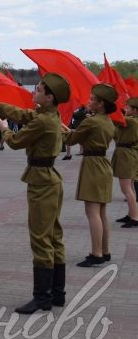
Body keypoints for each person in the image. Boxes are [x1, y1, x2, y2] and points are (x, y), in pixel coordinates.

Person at [0, 73, 70, 314]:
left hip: (42, 182)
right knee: (54, 236)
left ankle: (42, 298)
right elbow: (23, 114)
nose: (34, 92)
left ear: (49, 97)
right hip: (51, 179)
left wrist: (4, 130)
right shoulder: (49, 115)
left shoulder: (44, 121)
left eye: (38, 90)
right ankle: (57, 294)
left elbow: (16, 142)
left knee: (40, 238)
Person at [65, 84, 117, 267]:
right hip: (103, 164)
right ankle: (105, 250)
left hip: (93, 166)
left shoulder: (91, 121)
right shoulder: (107, 121)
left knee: (92, 212)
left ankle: (96, 254)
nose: (89, 101)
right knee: (101, 212)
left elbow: (70, 140)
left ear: (101, 104)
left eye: (93, 99)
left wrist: (62, 129)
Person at [115, 98, 138, 228]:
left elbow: (117, 118)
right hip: (126, 154)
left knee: (126, 188)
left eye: (128, 108)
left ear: (134, 110)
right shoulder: (129, 122)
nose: (125, 110)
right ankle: (131, 214)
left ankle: (134, 218)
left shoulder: (131, 121)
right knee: (130, 188)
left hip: (126, 156)